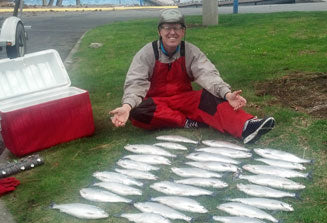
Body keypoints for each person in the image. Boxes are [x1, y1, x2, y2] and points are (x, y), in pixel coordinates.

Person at [109, 8, 275, 144]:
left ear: (183, 32)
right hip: (156, 103)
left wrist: (227, 93)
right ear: (159, 31)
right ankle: (187, 121)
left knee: (211, 97)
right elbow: (136, 83)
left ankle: (246, 127)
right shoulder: (146, 53)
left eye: (177, 28)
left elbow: (207, 74)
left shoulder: (190, 51)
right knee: (138, 111)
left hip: (184, 99)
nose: (172, 32)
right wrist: (127, 106)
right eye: (167, 28)